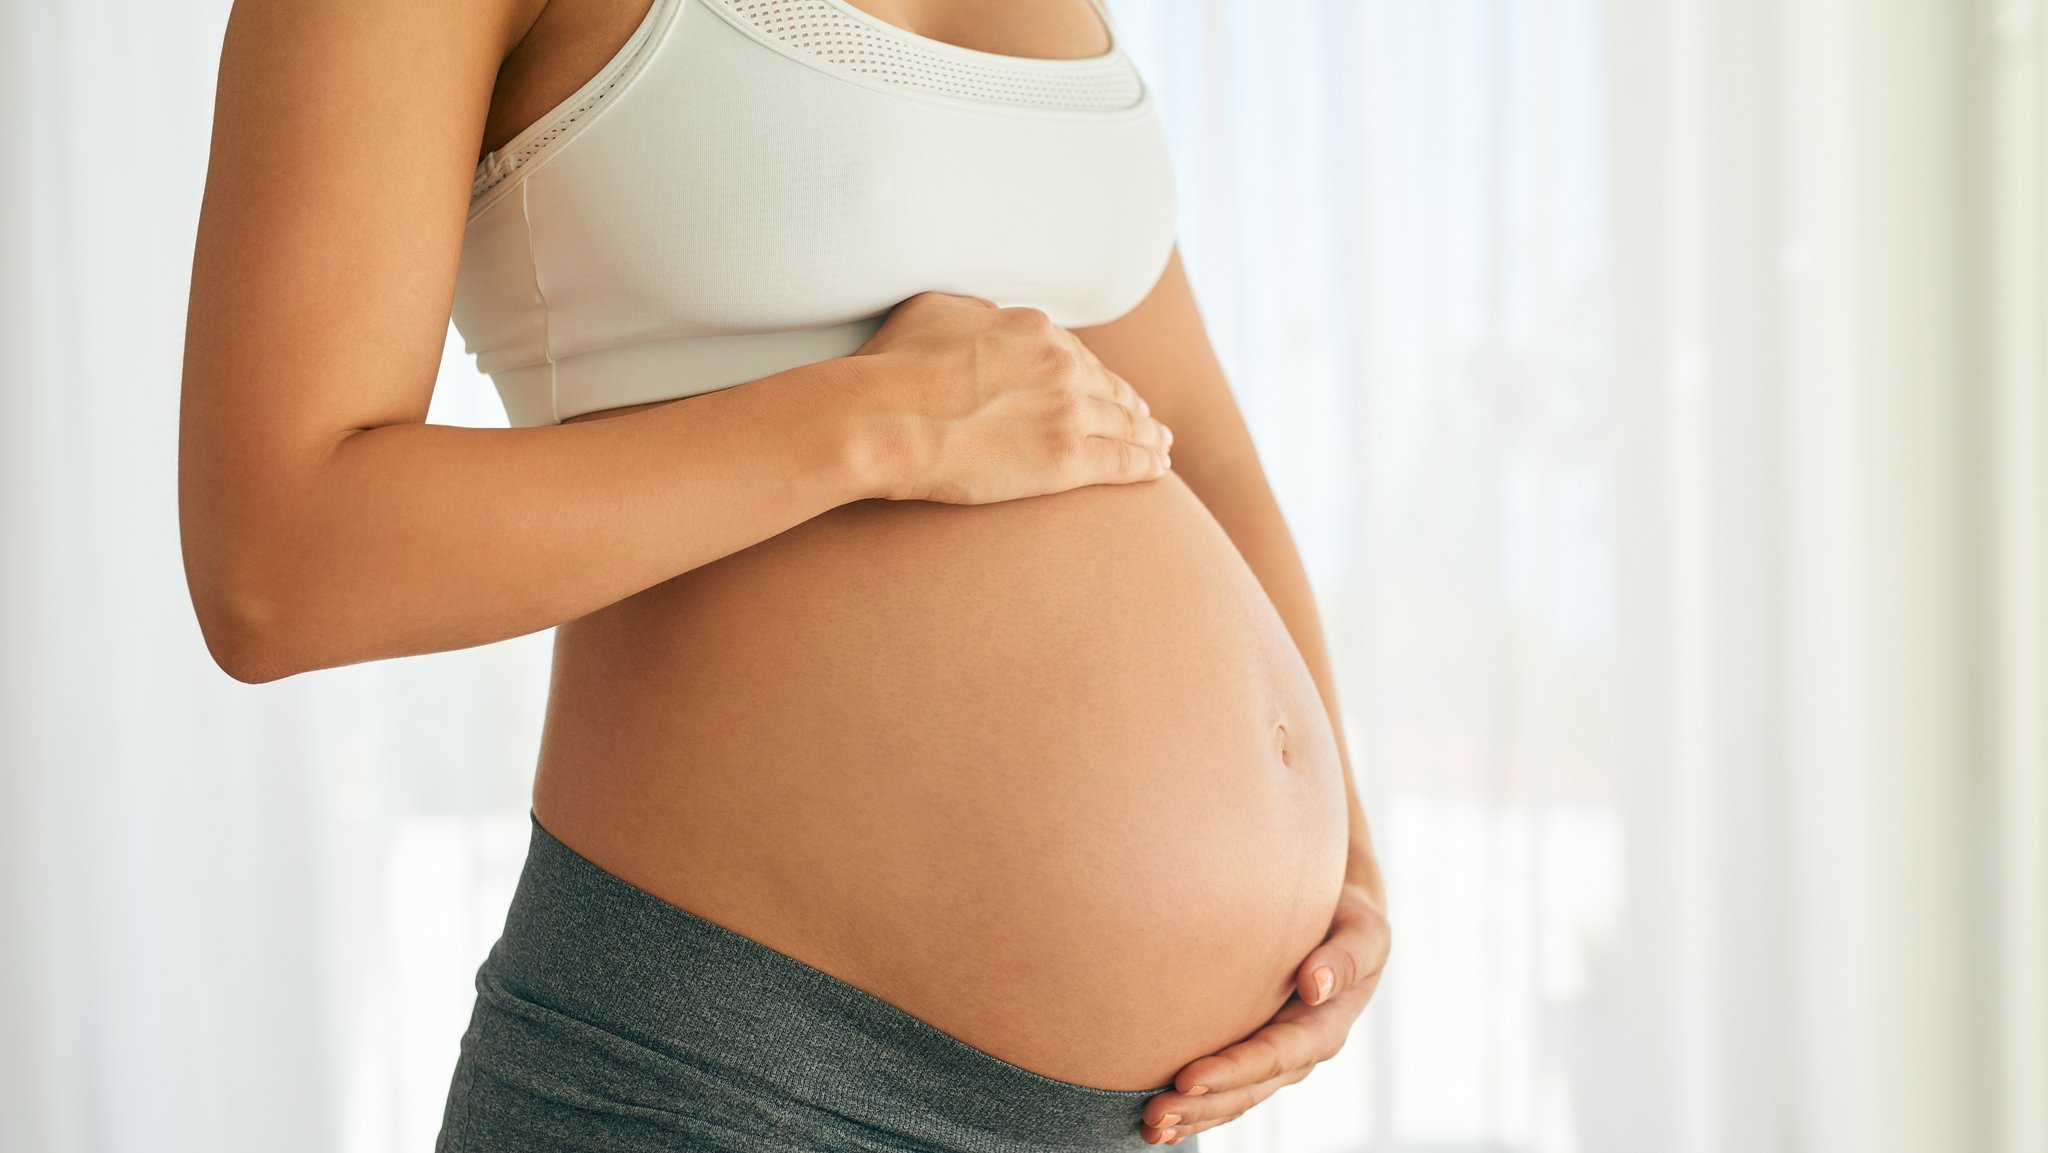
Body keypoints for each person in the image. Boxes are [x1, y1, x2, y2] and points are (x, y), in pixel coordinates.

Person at [178, 0, 1392, 1148]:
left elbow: (1191, 433)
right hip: (723, 1076)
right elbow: (279, 564)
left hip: (1124, 1113)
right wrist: (867, 424)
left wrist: (1343, 871)